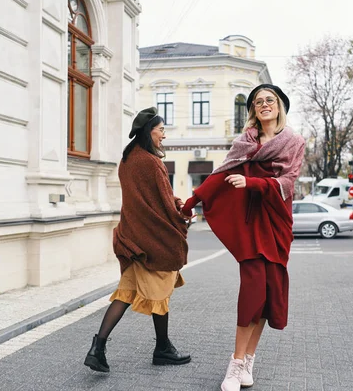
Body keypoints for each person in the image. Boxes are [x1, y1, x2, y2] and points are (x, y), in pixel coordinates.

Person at [181, 84, 305, 391]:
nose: (264, 104)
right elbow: (219, 175)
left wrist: (252, 182)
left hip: (276, 222)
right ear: (253, 110)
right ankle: (235, 365)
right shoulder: (245, 141)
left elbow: (287, 182)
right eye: (258, 101)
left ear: (279, 106)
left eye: (269, 100)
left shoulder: (294, 141)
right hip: (251, 226)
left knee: (267, 294)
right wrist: (191, 201)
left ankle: (249, 359)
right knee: (252, 290)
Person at [84, 107, 192, 373]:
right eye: (161, 130)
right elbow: (164, 202)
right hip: (151, 240)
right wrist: (181, 215)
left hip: (132, 237)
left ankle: (98, 347)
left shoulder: (128, 158)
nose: (164, 136)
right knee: (161, 291)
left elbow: (146, 200)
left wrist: (171, 202)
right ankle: (163, 348)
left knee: (125, 294)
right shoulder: (151, 161)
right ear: (149, 131)